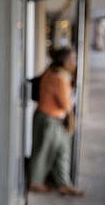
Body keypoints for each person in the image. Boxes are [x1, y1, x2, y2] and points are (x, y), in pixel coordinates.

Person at [29, 47, 84, 196]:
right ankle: (36, 182)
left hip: (49, 117)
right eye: (72, 60)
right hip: (49, 118)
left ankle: (63, 183)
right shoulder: (59, 77)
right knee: (43, 151)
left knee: (62, 150)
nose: (74, 63)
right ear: (65, 62)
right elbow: (66, 105)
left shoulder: (53, 72)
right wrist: (72, 121)